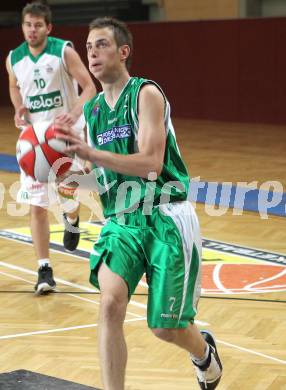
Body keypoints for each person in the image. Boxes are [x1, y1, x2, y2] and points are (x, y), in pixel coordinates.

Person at [57, 17, 223, 389]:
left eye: (101, 45)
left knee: (166, 328)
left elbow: (150, 162)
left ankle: (204, 354)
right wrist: (69, 176)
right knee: (109, 304)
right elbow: (92, 171)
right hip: (121, 222)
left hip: (165, 216)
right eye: (88, 47)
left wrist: (92, 155)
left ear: (123, 51)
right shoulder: (94, 110)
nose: (92, 53)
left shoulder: (146, 94)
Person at [6, 2, 96, 295]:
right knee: (37, 205)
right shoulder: (13, 58)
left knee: (68, 189)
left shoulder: (63, 51)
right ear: (22, 26)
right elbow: (14, 85)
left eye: (38, 25)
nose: (32, 30)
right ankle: (44, 269)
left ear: (49, 27)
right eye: (27, 25)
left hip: (64, 134)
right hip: (32, 140)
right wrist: (18, 106)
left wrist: (74, 111)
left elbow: (89, 86)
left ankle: (72, 218)